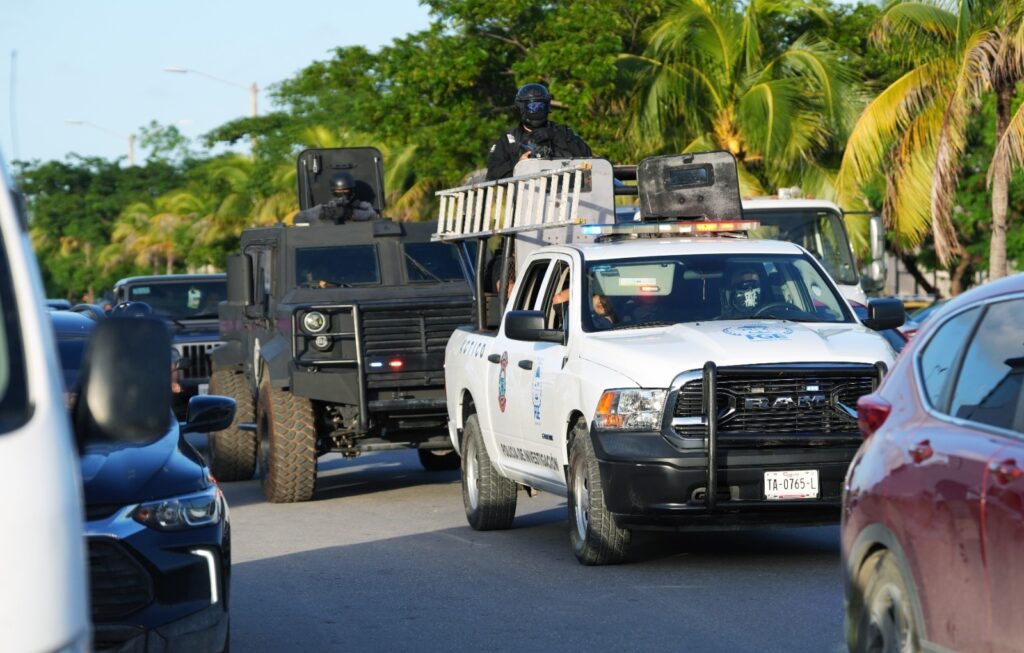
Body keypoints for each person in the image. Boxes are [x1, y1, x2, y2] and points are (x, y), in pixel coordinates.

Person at [485, 83, 593, 181]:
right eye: (533, 107)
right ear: (522, 107)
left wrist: (555, 136)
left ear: (547, 106)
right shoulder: (509, 139)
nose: (537, 110)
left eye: (541, 106)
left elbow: (588, 156)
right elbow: (493, 173)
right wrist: (519, 164)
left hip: (567, 196)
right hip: (526, 198)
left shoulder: (562, 131)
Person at [294, 172, 379, 225]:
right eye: (338, 191)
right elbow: (297, 219)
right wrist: (325, 214)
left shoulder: (362, 205)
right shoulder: (325, 208)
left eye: (346, 190)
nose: (342, 194)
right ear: (333, 192)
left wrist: (350, 213)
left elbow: (373, 216)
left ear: (352, 191)